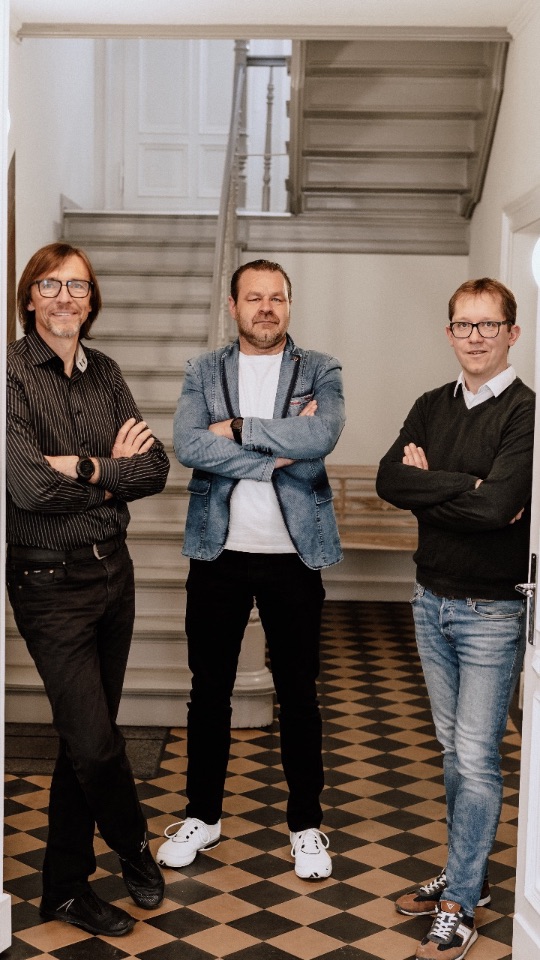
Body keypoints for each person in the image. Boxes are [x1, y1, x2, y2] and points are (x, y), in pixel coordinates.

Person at [157, 258, 345, 880]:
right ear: (233, 305)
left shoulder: (321, 368)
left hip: (294, 557)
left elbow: (322, 438)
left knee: (299, 693)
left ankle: (306, 824)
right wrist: (275, 454)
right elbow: (189, 444)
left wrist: (236, 429)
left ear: (289, 305)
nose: (266, 307)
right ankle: (202, 816)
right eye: (254, 297)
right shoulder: (202, 369)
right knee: (209, 692)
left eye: (277, 298)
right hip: (219, 554)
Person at [6, 243, 170, 937]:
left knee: (84, 740)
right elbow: (26, 487)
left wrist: (78, 465)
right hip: (49, 580)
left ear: (92, 298)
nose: (65, 297)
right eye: (51, 285)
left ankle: (65, 889)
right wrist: (110, 472)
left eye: (77, 285)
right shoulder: (11, 374)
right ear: (30, 297)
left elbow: (155, 468)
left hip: (113, 575)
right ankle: (133, 846)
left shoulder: (105, 372)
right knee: (97, 744)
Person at [376, 278, 534, 960]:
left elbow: (501, 508)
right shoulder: (430, 405)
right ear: (449, 333)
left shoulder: (526, 412)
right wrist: (466, 484)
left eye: (488, 325)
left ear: (511, 333)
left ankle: (461, 903)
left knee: (474, 754)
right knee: (452, 752)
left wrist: (432, 485)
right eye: (463, 325)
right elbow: (389, 480)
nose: (475, 336)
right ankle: (468, 870)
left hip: (492, 609)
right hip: (429, 599)